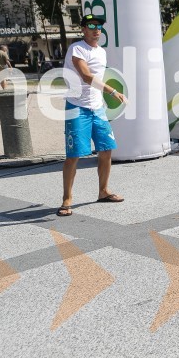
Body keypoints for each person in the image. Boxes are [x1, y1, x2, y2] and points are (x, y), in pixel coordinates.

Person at [58, 14, 128, 217]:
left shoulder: (101, 52)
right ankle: (67, 199)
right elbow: (87, 77)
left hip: (97, 108)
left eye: (99, 26)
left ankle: (103, 191)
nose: (96, 29)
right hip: (77, 107)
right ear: (83, 29)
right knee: (74, 155)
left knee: (106, 150)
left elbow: (98, 77)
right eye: (91, 25)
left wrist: (104, 97)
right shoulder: (77, 48)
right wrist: (113, 92)